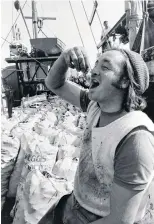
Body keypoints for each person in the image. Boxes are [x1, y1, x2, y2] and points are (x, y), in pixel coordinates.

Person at [39, 47, 154, 224]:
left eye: (105, 67)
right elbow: (55, 84)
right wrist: (64, 59)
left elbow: (120, 220)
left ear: (124, 81)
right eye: (95, 64)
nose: (93, 71)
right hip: (75, 203)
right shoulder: (95, 106)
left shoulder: (135, 138)